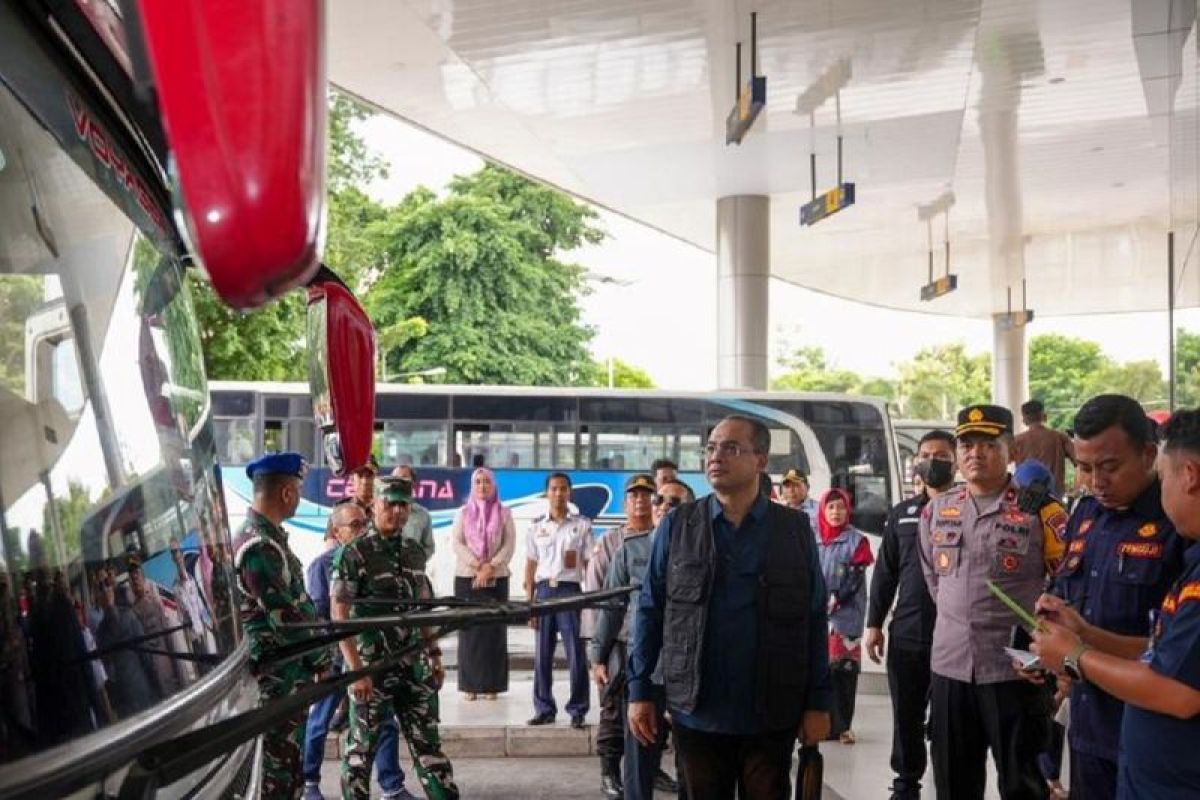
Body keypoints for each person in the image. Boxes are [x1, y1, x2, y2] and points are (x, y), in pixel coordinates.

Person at [628, 415, 832, 799]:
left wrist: (819, 701)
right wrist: (639, 691)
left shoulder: (793, 530)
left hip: (772, 710)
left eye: (730, 448)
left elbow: (814, 617)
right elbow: (651, 609)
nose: (715, 457)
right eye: (711, 448)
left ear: (760, 460)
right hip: (697, 710)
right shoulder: (678, 526)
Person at [1031, 408, 1200, 799]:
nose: (1095, 482)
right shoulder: (1086, 515)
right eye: (1085, 468)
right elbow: (1162, 648)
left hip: (1164, 747)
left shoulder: (1178, 530)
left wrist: (1075, 654)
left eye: (1108, 466)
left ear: (1149, 456)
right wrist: (1072, 639)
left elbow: (1177, 686)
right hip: (1095, 721)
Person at [918, 405, 1065, 800]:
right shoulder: (937, 509)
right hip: (950, 666)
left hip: (1016, 669)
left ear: (1011, 450)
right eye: (966, 444)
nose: (974, 453)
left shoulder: (1041, 511)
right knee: (953, 784)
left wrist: (1044, 657)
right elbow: (936, 581)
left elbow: (1064, 587)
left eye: (988, 444)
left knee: (1022, 785)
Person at [332, 477, 457, 800]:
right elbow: (339, 616)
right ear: (375, 505)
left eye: (405, 504)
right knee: (360, 754)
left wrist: (435, 656)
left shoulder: (414, 552)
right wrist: (356, 670)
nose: (398, 511)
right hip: (371, 670)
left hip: (413, 668)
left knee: (430, 749)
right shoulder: (353, 553)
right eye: (391, 503)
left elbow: (423, 609)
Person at [233, 452, 332, 799]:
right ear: (287, 494)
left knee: (289, 771)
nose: (299, 499)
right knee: (278, 775)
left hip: (287, 678)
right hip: (277, 681)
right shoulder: (259, 546)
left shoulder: (269, 539)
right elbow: (286, 619)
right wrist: (322, 659)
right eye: (299, 491)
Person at [865, 428, 954, 800]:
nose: (932, 461)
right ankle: (906, 782)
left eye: (942, 455)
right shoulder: (902, 514)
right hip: (908, 631)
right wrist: (874, 623)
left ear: (955, 461)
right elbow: (885, 573)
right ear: (916, 461)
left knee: (951, 720)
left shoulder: (968, 509)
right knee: (906, 714)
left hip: (955, 636)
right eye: (926, 454)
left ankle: (952, 781)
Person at [303, 503, 408, 800]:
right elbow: (322, 616)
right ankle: (308, 782)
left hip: (371, 656)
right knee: (320, 721)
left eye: (364, 524)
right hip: (338, 659)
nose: (362, 530)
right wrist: (330, 659)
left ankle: (391, 785)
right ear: (337, 532)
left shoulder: (373, 562)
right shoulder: (322, 566)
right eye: (354, 525)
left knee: (384, 720)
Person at [587, 473, 657, 798]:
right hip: (623, 644)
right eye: (634, 496)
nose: (641, 501)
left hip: (662, 649)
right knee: (616, 711)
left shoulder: (669, 542)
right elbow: (605, 601)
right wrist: (597, 653)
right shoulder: (614, 544)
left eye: (647, 495)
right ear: (625, 502)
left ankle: (648, 774)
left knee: (654, 719)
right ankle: (609, 773)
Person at [524, 472, 593, 728]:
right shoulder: (536, 526)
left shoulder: (582, 525)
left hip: (570, 591)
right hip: (544, 593)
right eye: (554, 489)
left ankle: (577, 709)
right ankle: (544, 708)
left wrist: (591, 600)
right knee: (542, 655)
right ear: (547, 493)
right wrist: (529, 602)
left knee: (576, 653)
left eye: (563, 489)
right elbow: (530, 566)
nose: (558, 494)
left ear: (570, 492)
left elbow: (589, 564)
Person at [450, 467, 516, 700]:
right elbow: (456, 543)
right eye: (477, 482)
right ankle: (469, 686)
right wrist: (478, 565)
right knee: (469, 633)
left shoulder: (505, 513)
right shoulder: (463, 513)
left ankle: (492, 686)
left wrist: (491, 567)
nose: (482, 486)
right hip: (468, 578)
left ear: (494, 485)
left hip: (496, 579)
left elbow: (509, 546)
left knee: (494, 632)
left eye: (486, 481)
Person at [816, 488, 874, 744]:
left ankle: (842, 727)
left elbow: (854, 576)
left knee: (843, 672)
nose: (836, 512)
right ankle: (823, 725)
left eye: (840, 507)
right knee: (820, 672)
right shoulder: (814, 538)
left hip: (845, 618)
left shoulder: (857, 541)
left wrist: (837, 599)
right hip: (817, 617)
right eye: (830, 508)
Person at [1012, 400, 1075, 495]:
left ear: (1024, 420)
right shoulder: (1059, 437)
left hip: (1025, 497)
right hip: (1054, 497)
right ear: (1044, 416)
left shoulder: (1016, 441)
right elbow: (1079, 461)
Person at [392, 465, 435, 575]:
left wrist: (416, 561)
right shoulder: (381, 511)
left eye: (404, 477)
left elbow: (429, 546)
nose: (399, 481)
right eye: (395, 478)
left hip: (413, 574)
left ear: (413, 483)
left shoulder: (423, 515)